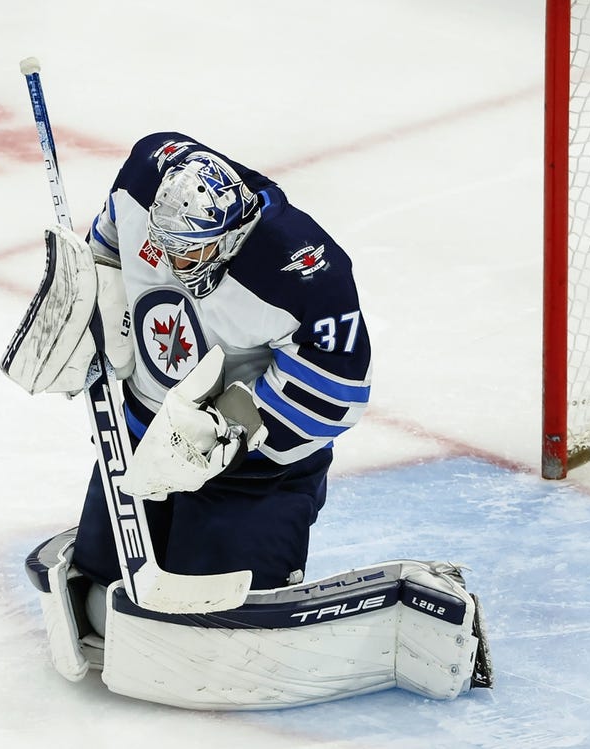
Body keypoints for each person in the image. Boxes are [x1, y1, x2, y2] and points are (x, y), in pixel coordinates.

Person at [66, 132, 372, 592]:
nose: (173, 259)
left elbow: (337, 385)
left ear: (230, 237)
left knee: (218, 600)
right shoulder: (144, 178)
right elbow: (107, 245)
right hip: (141, 431)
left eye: (189, 249)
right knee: (100, 584)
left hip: (252, 471)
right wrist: (83, 311)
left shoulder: (302, 271)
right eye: (164, 243)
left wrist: (221, 433)